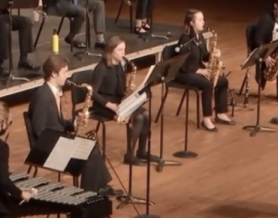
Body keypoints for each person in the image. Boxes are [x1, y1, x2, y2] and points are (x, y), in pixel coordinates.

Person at [27, 56, 114, 195]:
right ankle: (88, 195)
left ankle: (98, 188)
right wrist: (65, 140)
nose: (67, 76)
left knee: (92, 146)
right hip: (47, 148)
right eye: (64, 72)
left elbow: (57, 121)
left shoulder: (53, 92)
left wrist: (72, 124)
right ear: (54, 74)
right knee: (89, 152)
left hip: (57, 140)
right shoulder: (42, 96)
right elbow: (39, 130)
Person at [90, 36, 159, 166]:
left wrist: (130, 92)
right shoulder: (101, 68)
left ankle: (142, 151)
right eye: (120, 50)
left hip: (118, 101)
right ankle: (130, 155)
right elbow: (92, 93)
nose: (124, 53)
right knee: (137, 117)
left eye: (124, 49)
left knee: (146, 114)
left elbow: (119, 89)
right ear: (111, 51)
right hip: (103, 104)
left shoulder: (119, 65)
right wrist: (111, 106)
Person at [171, 10, 234, 131]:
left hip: (197, 70)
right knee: (207, 84)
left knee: (223, 81)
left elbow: (204, 55)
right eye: (200, 20)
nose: (203, 22)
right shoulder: (185, 40)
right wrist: (198, 71)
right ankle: (206, 119)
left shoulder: (200, 37)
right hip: (183, 73)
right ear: (191, 22)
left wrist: (213, 54)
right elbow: (181, 63)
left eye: (203, 19)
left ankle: (220, 113)